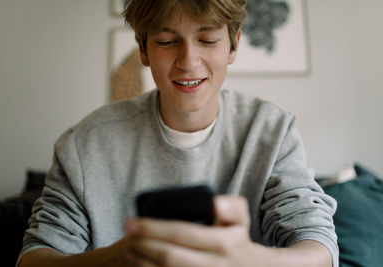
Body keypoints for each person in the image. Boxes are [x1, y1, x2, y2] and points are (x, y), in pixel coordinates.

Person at [18, 0, 338, 266]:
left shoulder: (272, 132)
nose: (188, 61)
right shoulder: (84, 145)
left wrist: (248, 258)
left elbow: (320, 250)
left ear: (233, 45)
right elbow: (33, 257)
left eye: (208, 39)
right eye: (167, 41)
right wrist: (113, 259)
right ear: (143, 50)